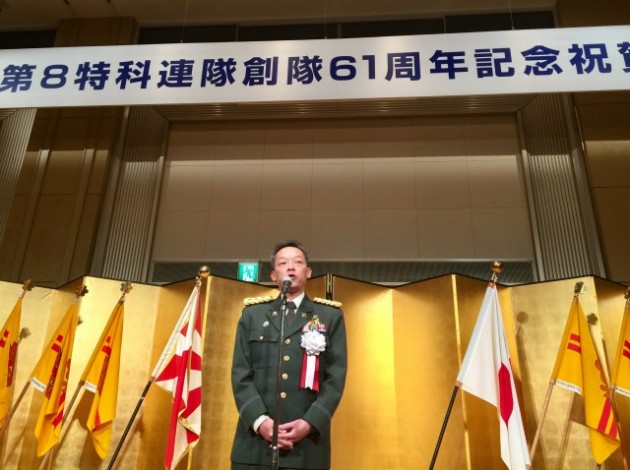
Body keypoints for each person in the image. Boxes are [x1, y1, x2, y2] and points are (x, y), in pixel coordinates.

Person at [230, 240, 348, 470]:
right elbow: (240, 374)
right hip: (254, 447)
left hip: (307, 449)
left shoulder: (330, 316)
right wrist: (260, 421)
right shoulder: (252, 315)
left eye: (298, 262)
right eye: (283, 263)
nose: (291, 267)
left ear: (308, 272)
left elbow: (335, 378)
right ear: (274, 275)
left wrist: (310, 422)